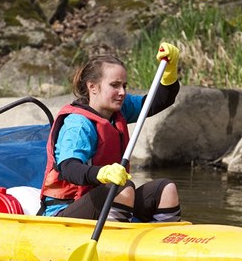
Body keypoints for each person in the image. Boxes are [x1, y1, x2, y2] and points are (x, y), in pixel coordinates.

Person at [39, 43, 182, 222]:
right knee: (122, 188)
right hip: (65, 211)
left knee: (165, 189)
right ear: (93, 87)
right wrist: (101, 173)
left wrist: (169, 73)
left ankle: (165, 243)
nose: (121, 92)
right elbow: (69, 169)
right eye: (114, 85)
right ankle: (115, 241)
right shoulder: (77, 125)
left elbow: (158, 101)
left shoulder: (119, 109)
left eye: (124, 85)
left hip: (106, 199)